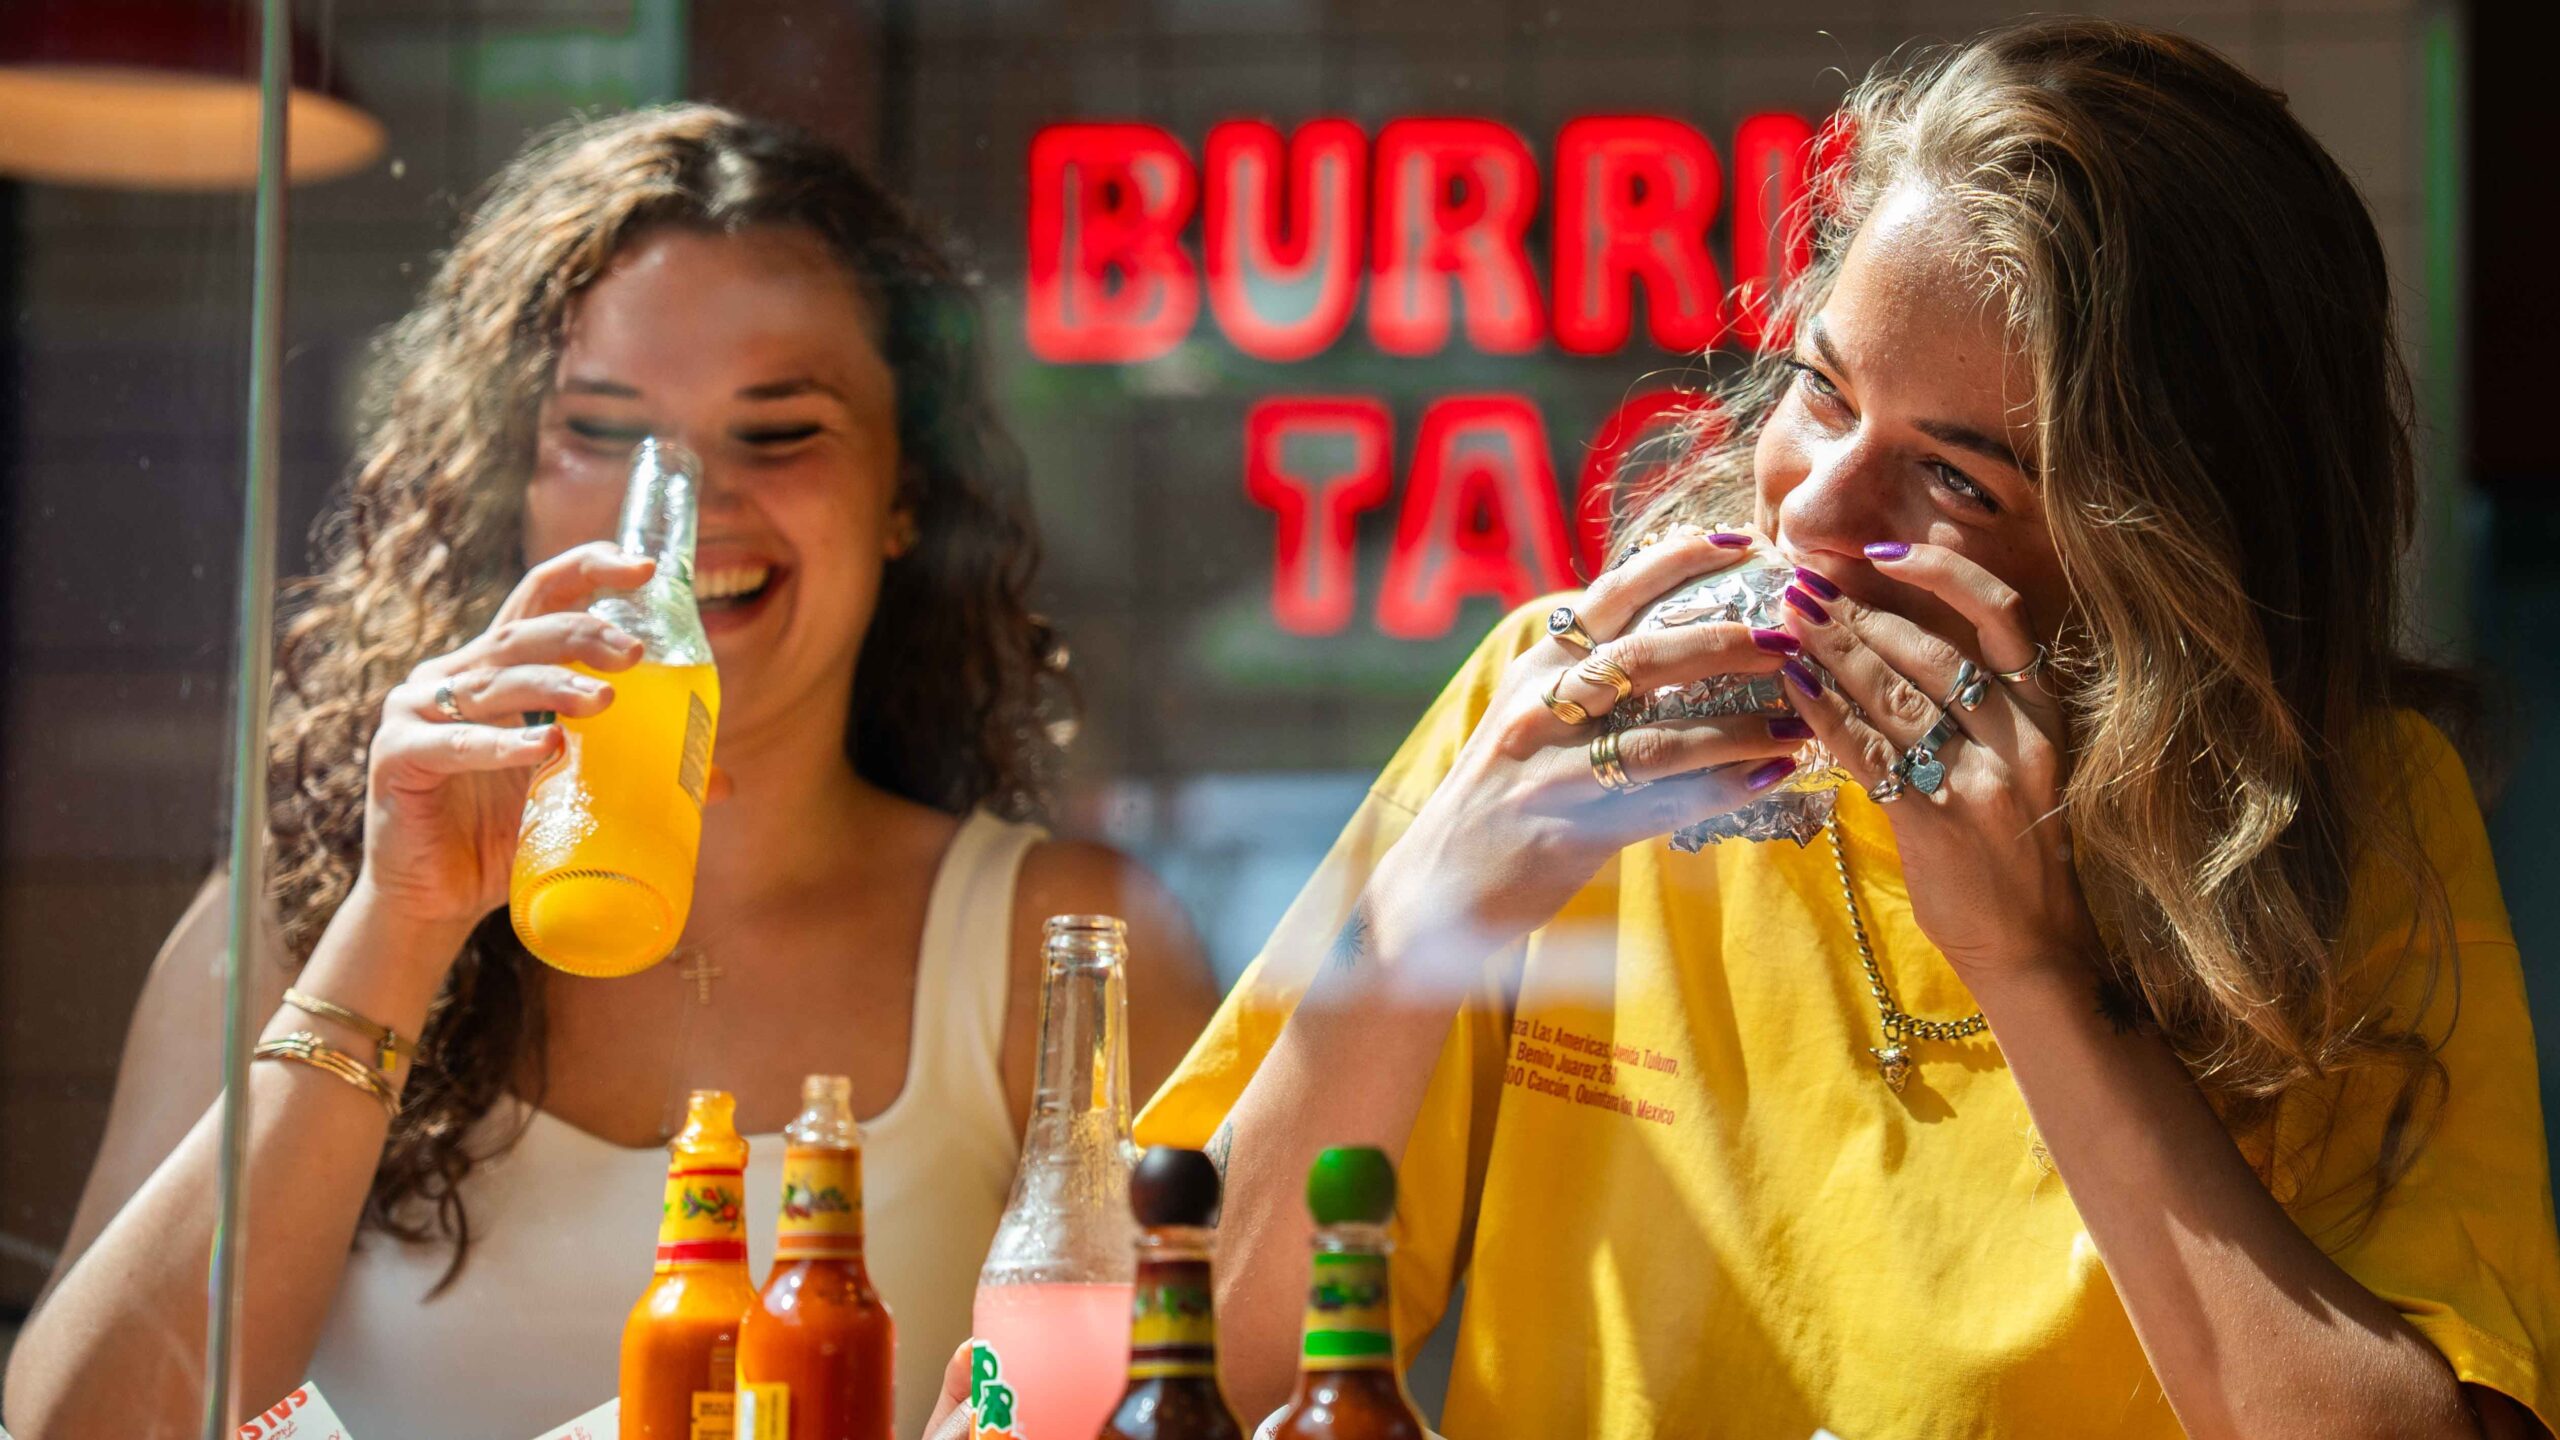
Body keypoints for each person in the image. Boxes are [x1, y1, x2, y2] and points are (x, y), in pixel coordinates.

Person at [1138, 19, 2560, 1440]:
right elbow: (1184, 1387)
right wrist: (1414, 922)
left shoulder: (2350, 808)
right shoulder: (1568, 709)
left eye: (1957, 479)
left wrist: (2037, 971)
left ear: (2173, 559)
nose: (1814, 510)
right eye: (1822, 392)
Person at [5, 105, 1218, 1440]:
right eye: (603, 431)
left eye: (781, 430)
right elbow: (80, 1427)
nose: (682, 512)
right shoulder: (304, 908)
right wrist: (398, 928)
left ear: (904, 496)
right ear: (507, 485)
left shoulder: (1062, 944)